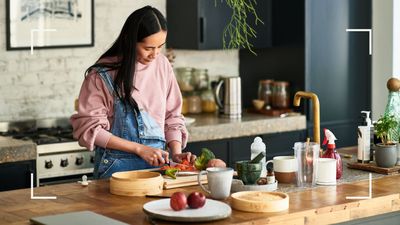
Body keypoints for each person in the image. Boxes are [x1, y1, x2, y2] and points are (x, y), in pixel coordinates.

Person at [70, 6, 195, 179]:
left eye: (160, 46)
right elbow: (91, 129)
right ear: (130, 40)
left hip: (158, 172)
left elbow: (172, 116)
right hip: (116, 173)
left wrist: (176, 153)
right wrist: (139, 149)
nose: (155, 54)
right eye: (148, 48)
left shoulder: (162, 65)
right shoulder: (101, 75)